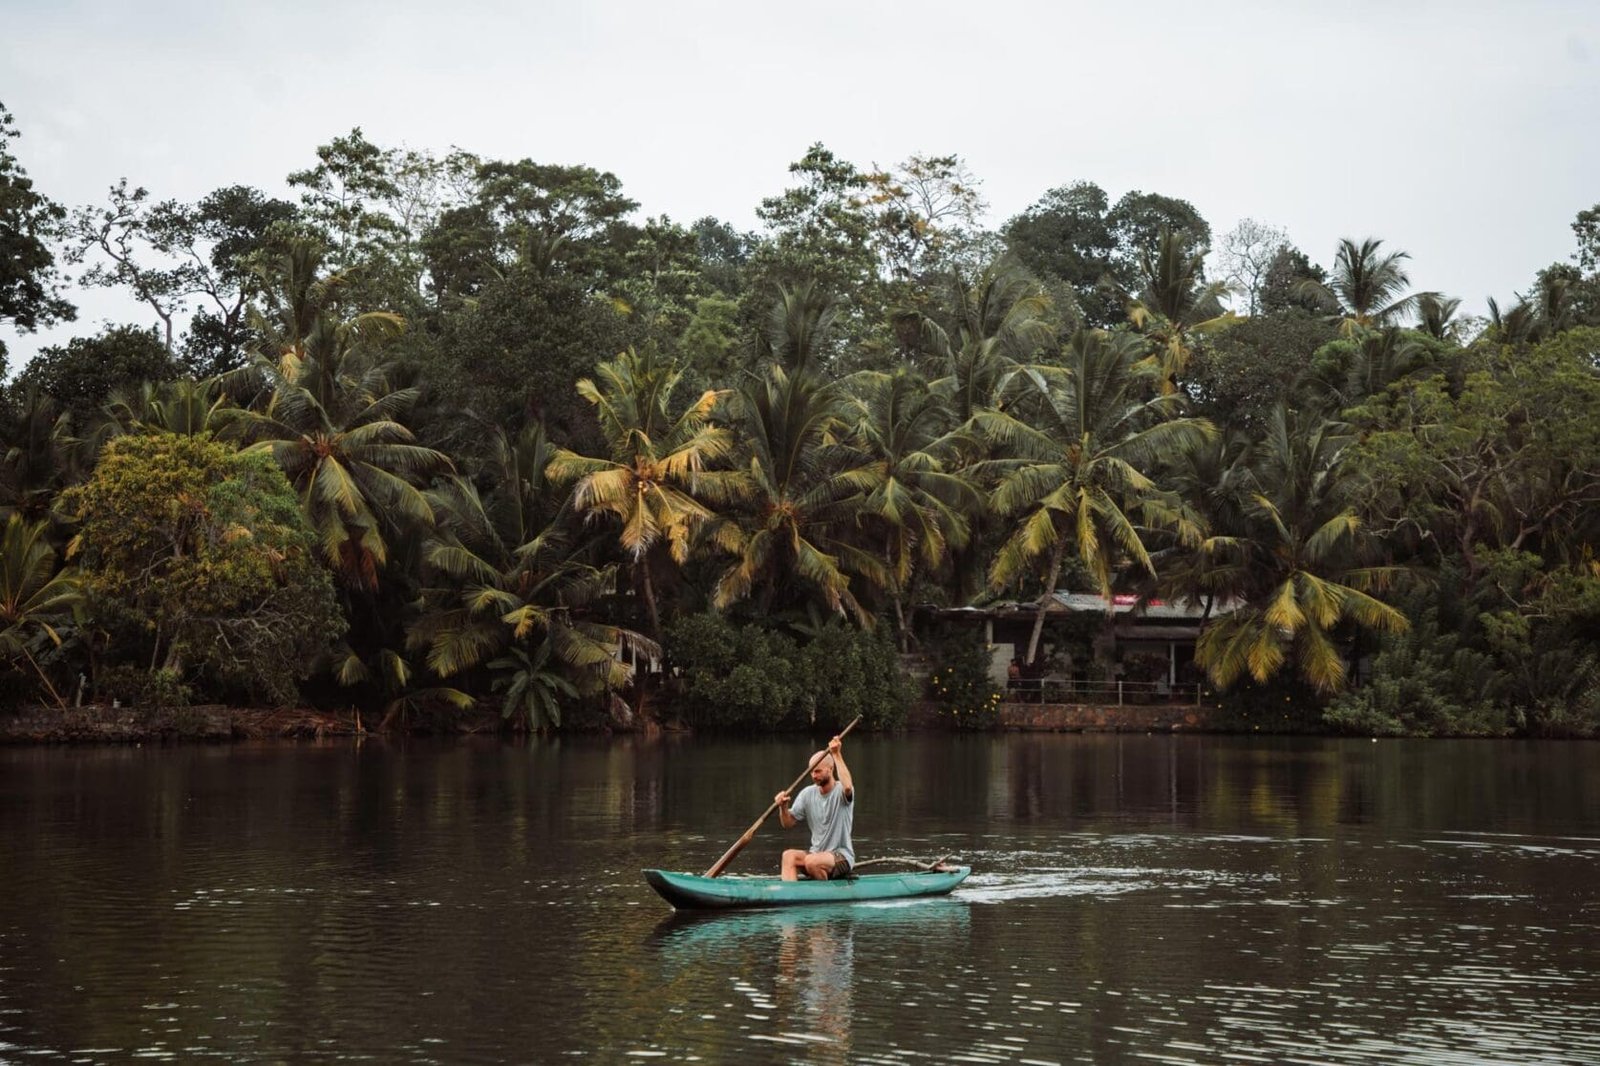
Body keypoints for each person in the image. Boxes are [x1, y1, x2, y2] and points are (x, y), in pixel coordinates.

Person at [774, 734, 855, 881]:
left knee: (812, 861)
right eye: (811, 771)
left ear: (830, 769)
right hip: (816, 854)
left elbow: (848, 786)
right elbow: (787, 823)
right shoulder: (807, 794)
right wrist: (783, 807)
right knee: (788, 856)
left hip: (841, 857)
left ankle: (823, 893)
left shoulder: (840, 791)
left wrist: (836, 754)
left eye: (818, 771)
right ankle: (789, 896)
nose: (814, 775)